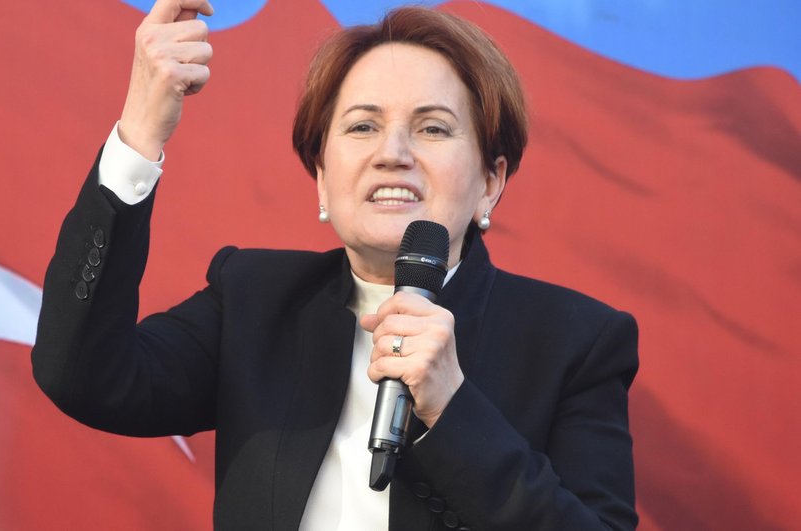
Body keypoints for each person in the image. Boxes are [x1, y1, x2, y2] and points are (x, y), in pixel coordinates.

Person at [31, 1, 639, 529]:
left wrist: (451, 406)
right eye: (362, 126)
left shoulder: (576, 342)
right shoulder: (253, 299)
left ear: (490, 182)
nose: (392, 153)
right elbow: (85, 377)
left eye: (432, 128)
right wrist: (141, 130)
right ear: (322, 178)